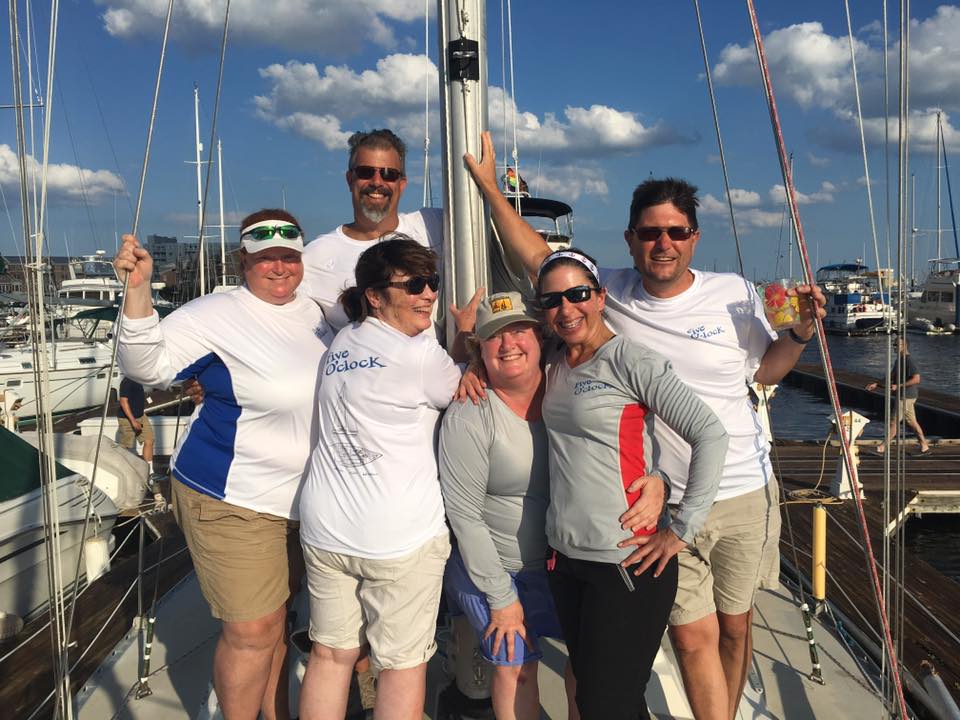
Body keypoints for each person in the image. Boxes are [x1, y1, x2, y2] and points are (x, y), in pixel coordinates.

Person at [465, 130, 826, 720]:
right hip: (663, 502)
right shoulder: (606, 296)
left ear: (693, 238)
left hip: (740, 488)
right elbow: (539, 257)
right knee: (691, 636)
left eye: (676, 232)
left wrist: (801, 334)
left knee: (736, 627)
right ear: (631, 241)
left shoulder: (732, 293)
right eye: (650, 233)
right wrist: (488, 187)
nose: (663, 243)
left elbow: (766, 370)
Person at [114, 209, 333, 720]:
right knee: (252, 629)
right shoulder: (214, 313)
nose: (278, 268)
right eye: (264, 259)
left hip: (304, 500)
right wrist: (139, 291)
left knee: (278, 623)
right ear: (242, 260)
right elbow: (147, 366)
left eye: (287, 257)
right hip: (231, 494)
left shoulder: (319, 314)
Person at [536, 249, 729, 719]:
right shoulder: (554, 364)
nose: (566, 309)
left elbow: (710, 434)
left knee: (608, 703)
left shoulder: (629, 360)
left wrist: (682, 528)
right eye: (552, 300)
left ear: (600, 297)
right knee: (596, 694)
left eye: (578, 294)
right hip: (566, 558)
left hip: (624, 559)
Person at [297, 238, 461, 720]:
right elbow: (467, 388)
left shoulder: (344, 342)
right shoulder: (420, 356)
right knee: (401, 667)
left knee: (330, 656)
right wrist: (467, 338)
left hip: (325, 529)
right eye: (413, 285)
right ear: (374, 295)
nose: (428, 294)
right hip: (398, 538)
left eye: (432, 282)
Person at [442, 291, 596, 720]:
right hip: (494, 567)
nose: (508, 344)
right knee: (517, 667)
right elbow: (465, 517)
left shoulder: (568, 389)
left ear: (541, 337)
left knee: (590, 664)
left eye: (519, 331)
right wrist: (501, 597)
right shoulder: (469, 413)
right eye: (494, 337)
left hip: (562, 563)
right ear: (481, 351)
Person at [302, 128, 443, 332]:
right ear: (350, 179)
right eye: (366, 172)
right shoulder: (313, 258)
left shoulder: (433, 225)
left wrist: (490, 185)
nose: (377, 182)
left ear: (401, 184)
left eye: (389, 174)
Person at [865, 337, 930, 454]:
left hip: (905, 396)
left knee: (893, 422)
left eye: (896, 345)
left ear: (904, 346)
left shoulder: (909, 361)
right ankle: (924, 445)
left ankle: (882, 447)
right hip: (904, 395)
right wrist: (877, 384)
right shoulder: (898, 361)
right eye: (894, 345)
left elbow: (917, 379)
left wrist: (898, 386)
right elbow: (891, 377)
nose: (894, 347)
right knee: (911, 422)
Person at [117, 376, 154, 473]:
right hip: (127, 419)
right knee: (125, 446)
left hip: (141, 416)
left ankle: (149, 470)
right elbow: (123, 402)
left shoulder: (138, 379)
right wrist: (133, 421)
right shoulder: (127, 381)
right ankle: (120, 469)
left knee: (149, 440)